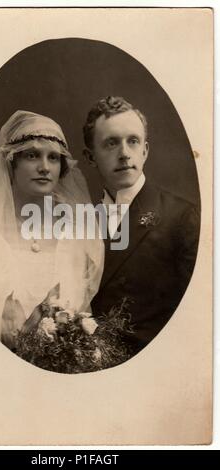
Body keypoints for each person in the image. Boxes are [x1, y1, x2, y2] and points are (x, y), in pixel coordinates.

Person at [0, 110, 104, 349]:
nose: (44, 167)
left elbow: (80, 321)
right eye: (33, 156)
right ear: (11, 162)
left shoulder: (74, 238)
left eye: (53, 158)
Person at [83, 96, 200, 354]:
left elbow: (197, 316)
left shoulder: (181, 217)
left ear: (145, 151)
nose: (124, 153)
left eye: (132, 141)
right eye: (111, 143)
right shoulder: (83, 222)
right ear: (91, 158)